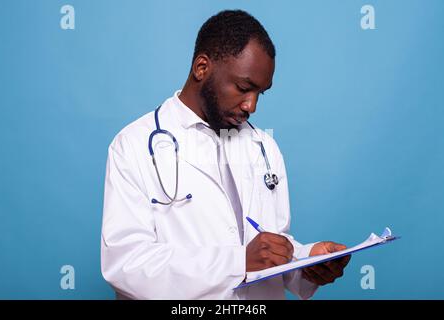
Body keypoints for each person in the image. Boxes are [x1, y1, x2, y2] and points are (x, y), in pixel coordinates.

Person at [101, 9, 350, 300]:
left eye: (261, 93)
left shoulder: (263, 147)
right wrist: (237, 262)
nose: (251, 106)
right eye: (244, 88)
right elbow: (127, 266)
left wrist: (305, 261)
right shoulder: (133, 145)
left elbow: (269, 247)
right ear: (202, 68)